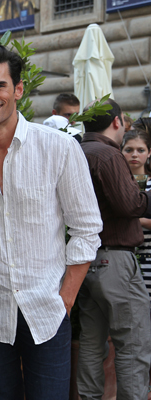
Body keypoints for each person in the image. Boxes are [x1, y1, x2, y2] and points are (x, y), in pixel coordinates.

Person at [0, 45, 102, 400]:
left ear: (17, 89)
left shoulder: (59, 149)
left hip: (48, 311)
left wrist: (65, 300)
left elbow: (87, 229)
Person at [79, 99, 151, 400]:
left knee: (90, 345)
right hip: (114, 260)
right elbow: (129, 205)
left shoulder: (78, 151)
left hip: (83, 260)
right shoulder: (108, 155)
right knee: (132, 345)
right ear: (118, 122)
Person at [122, 128, 151, 298]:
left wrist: (138, 220)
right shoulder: (117, 183)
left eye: (140, 150)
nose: (134, 155)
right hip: (124, 259)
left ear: (149, 153)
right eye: (129, 150)